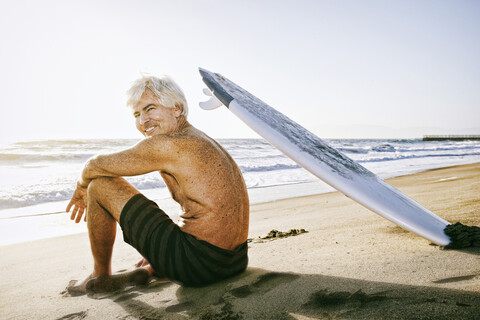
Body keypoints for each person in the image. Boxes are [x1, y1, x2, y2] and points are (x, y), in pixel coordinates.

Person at [66, 75, 249, 293]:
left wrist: (81, 189)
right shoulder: (200, 138)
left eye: (150, 108)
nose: (142, 121)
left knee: (98, 185)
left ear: (177, 109)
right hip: (235, 260)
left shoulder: (167, 144)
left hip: (199, 266)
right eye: (137, 114)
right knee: (183, 222)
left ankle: (99, 274)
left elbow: (92, 166)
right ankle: (152, 268)